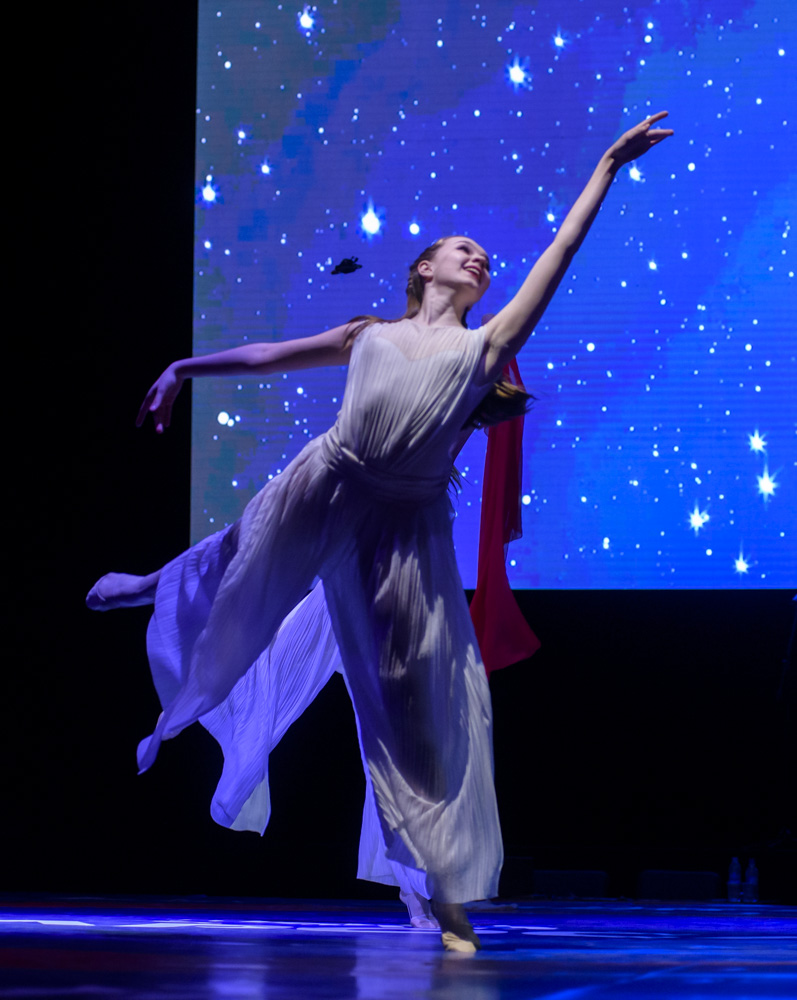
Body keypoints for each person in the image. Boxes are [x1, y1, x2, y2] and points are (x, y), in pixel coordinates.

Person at [88, 112, 673, 952]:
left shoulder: (487, 347)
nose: (478, 258)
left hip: (401, 528)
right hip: (331, 479)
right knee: (243, 565)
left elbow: (562, 250)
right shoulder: (369, 335)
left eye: (485, 256)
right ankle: (153, 587)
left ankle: (434, 884)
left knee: (405, 706)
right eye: (461, 248)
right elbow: (267, 356)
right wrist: (183, 366)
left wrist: (608, 166)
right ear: (423, 268)